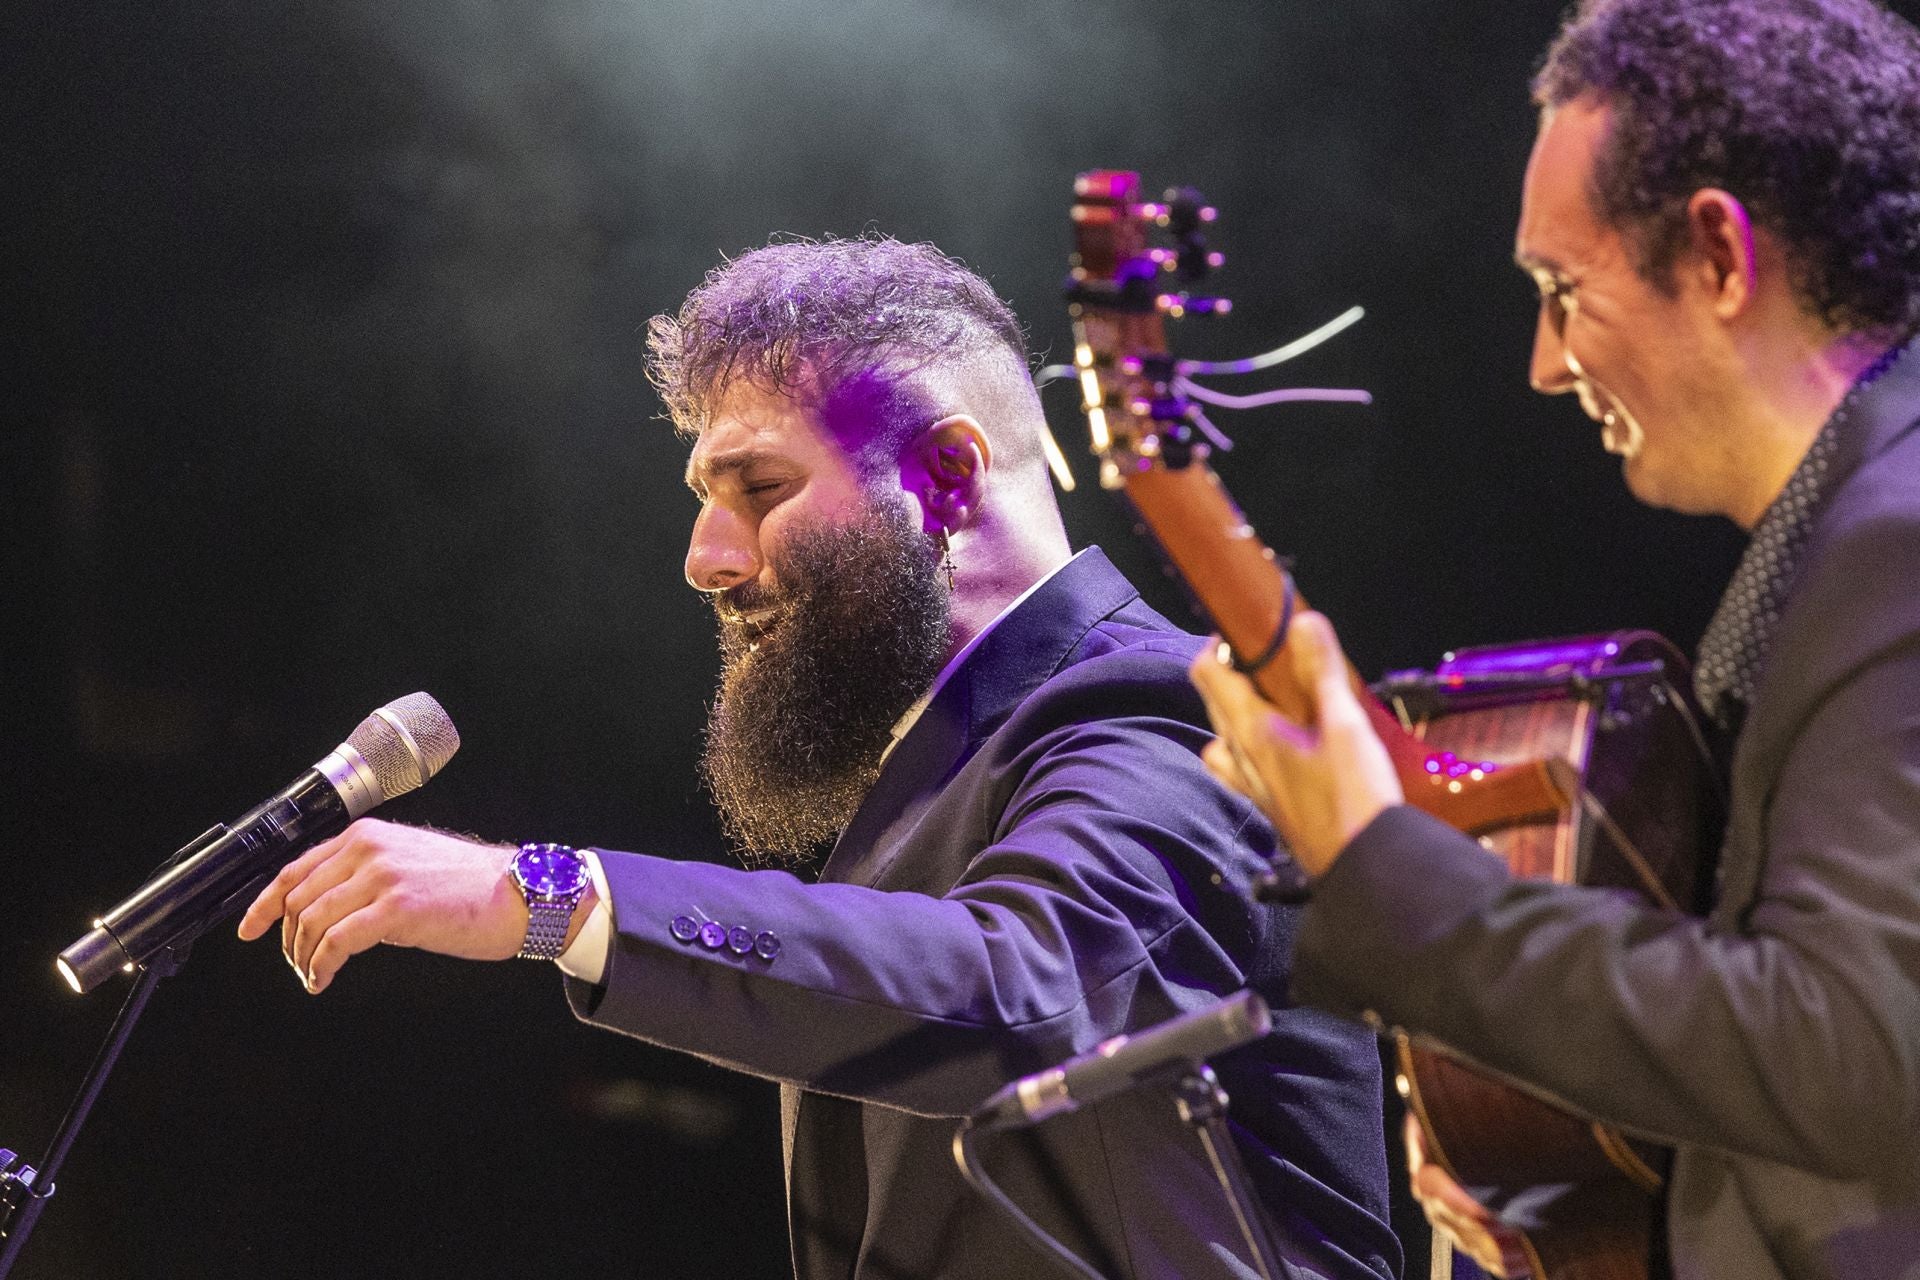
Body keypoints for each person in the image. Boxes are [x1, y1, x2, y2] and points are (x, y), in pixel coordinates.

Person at [237, 236, 1402, 1279]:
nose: (705, 555)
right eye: (706, 494)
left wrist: (548, 891)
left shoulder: (1153, 704)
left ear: (947, 476)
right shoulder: (944, 764)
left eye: (762, 486)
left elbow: (1018, 978)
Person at [1188, 1, 1920, 1278]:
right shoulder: (1848, 539)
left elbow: (1852, 1052)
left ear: (1716, 254)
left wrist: (1379, 863)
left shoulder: (1894, 545)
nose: (1541, 361)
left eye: (1561, 290)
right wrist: (1591, 1198)